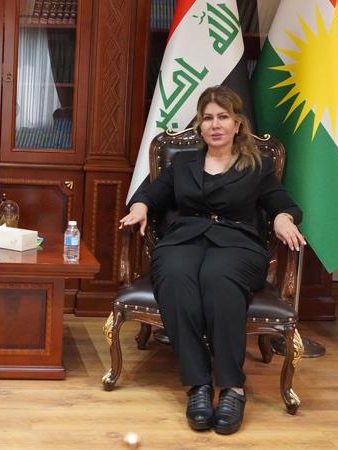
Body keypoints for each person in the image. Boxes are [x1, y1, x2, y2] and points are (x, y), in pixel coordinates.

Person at [118, 85, 305, 435]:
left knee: (218, 277)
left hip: (238, 244)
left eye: (223, 117)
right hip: (184, 240)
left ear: (237, 124)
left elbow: (284, 204)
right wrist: (140, 207)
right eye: (207, 118)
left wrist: (283, 219)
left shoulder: (257, 166)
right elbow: (150, 194)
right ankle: (198, 385)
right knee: (174, 276)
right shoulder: (182, 163)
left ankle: (232, 387)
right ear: (200, 126)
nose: (215, 124)